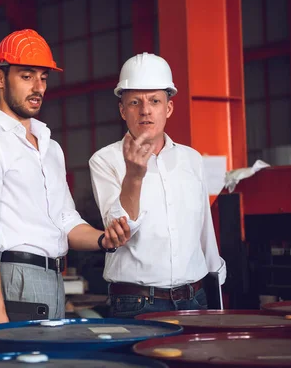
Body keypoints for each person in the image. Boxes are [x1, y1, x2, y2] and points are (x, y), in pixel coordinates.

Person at [0, 29, 131, 324]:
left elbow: (65, 221)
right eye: (26, 76)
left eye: (43, 77)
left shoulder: (50, 147)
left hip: (53, 280)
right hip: (14, 279)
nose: (38, 87)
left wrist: (104, 239)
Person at [88, 52, 227, 318]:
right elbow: (118, 231)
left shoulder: (192, 159)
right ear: (122, 110)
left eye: (154, 101)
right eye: (135, 102)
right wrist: (134, 176)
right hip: (136, 303)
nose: (145, 110)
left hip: (194, 299)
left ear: (169, 108)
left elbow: (204, 230)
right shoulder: (105, 161)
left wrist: (215, 283)